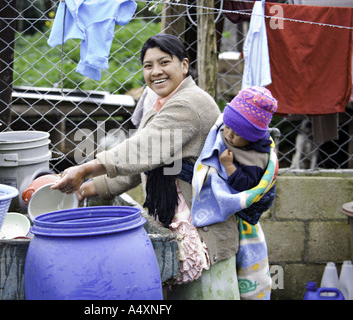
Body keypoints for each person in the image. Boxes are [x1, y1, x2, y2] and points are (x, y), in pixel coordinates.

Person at [51, 33, 241, 299]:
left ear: (184, 66)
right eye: (148, 66)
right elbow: (142, 165)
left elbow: (140, 150)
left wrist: (84, 170)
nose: (156, 72)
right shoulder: (158, 104)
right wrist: (87, 189)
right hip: (175, 219)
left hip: (201, 230)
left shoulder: (190, 104)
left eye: (164, 62)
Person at [191, 86, 279, 299]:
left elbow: (246, 185)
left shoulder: (256, 157)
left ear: (252, 136)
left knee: (247, 260)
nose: (228, 135)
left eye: (237, 133)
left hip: (245, 212)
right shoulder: (227, 130)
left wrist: (229, 166)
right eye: (228, 127)